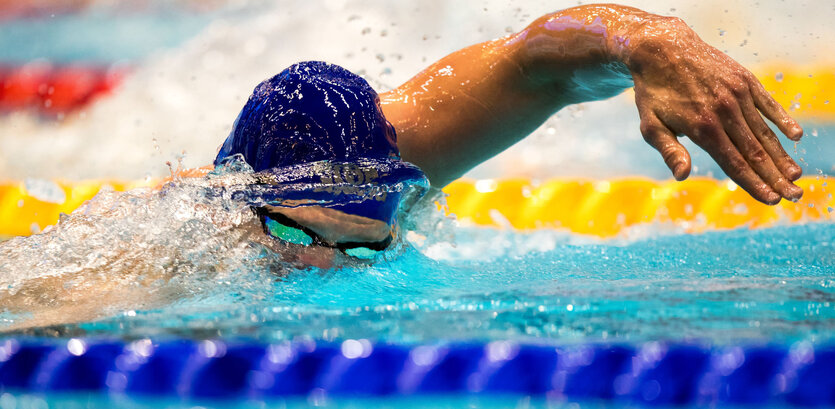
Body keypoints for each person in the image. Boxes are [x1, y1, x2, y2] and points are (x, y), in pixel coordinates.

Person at [220, 4, 804, 264]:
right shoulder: (176, 248)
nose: (331, 270)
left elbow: (533, 64)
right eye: (294, 237)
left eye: (363, 245)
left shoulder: (411, 149)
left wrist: (647, 41)